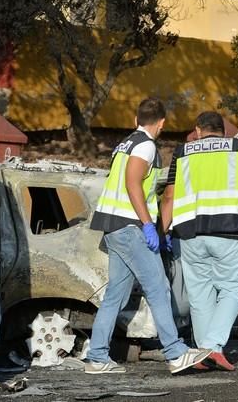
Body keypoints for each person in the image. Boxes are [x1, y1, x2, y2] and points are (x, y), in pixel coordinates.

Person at [84, 98, 211, 374]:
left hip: (113, 225)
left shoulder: (125, 143)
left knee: (116, 293)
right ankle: (175, 353)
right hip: (130, 227)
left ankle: (97, 356)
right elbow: (133, 184)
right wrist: (147, 224)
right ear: (162, 123)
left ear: (135, 119)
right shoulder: (146, 146)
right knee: (159, 287)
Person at [160, 111, 238, 371]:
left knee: (200, 295)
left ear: (198, 130)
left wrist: (161, 231)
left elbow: (169, 196)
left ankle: (202, 353)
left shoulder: (183, 152)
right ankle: (212, 346)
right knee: (233, 289)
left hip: (189, 235)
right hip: (229, 231)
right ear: (223, 131)